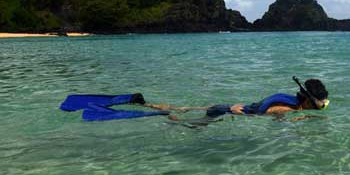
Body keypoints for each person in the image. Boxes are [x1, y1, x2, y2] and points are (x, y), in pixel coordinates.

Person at [141, 77, 329, 119]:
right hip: (226, 111)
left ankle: (159, 107)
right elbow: (264, 116)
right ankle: (165, 114)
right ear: (307, 101)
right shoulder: (289, 108)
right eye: (320, 106)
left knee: (190, 110)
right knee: (189, 124)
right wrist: (303, 118)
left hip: (228, 108)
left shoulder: (294, 103)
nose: (321, 107)